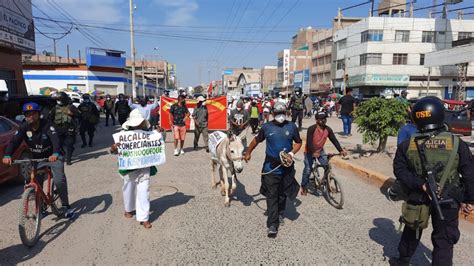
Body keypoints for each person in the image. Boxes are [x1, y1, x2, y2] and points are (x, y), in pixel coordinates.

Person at [391, 96, 474, 266]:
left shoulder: (407, 145)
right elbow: (469, 174)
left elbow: (400, 171)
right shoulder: (457, 143)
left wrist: (419, 185)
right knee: (444, 239)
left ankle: (403, 260)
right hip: (449, 197)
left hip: (419, 196)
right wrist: (469, 200)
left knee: (412, 229)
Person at [3, 102, 74, 217]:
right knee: (36, 181)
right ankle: (41, 207)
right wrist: (7, 155)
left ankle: (65, 205)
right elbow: (14, 141)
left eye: (32, 114)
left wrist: (55, 153)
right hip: (38, 158)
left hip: (53, 156)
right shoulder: (24, 127)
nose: (29, 117)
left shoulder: (47, 125)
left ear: (38, 114)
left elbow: (55, 139)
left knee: (59, 180)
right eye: (27, 114)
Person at [244, 102, 302, 238]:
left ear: (286, 113)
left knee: (283, 194)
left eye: (282, 113)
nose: (280, 116)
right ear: (272, 114)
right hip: (271, 168)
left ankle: (281, 213)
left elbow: (298, 142)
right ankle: (272, 224)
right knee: (272, 196)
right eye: (277, 113)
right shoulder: (266, 127)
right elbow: (256, 140)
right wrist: (248, 152)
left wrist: (291, 154)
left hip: (286, 167)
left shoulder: (292, 126)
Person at [110, 109, 156, 229]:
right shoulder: (122, 135)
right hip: (128, 169)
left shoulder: (149, 134)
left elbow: (157, 144)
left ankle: (144, 217)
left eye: (139, 123)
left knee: (144, 192)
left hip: (143, 168)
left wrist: (160, 134)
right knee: (128, 190)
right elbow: (112, 151)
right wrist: (114, 148)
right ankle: (129, 209)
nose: (137, 125)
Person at [300, 111, 347, 195]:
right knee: (307, 169)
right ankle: (304, 186)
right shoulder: (312, 129)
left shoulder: (328, 129)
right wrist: (314, 152)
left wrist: (341, 150)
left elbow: (334, 140)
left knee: (326, 166)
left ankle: (327, 183)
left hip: (320, 150)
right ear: (316, 120)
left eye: (325, 118)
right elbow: (309, 142)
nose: (323, 120)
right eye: (321, 119)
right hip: (310, 151)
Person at [49, 92, 78, 165]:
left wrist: (73, 114)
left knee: (69, 144)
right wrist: (53, 127)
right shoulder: (55, 108)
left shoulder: (71, 107)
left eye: (60, 99)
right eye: (57, 100)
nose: (58, 101)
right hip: (58, 129)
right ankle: (62, 153)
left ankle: (68, 160)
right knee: (58, 144)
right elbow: (50, 119)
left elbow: (79, 116)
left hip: (69, 128)